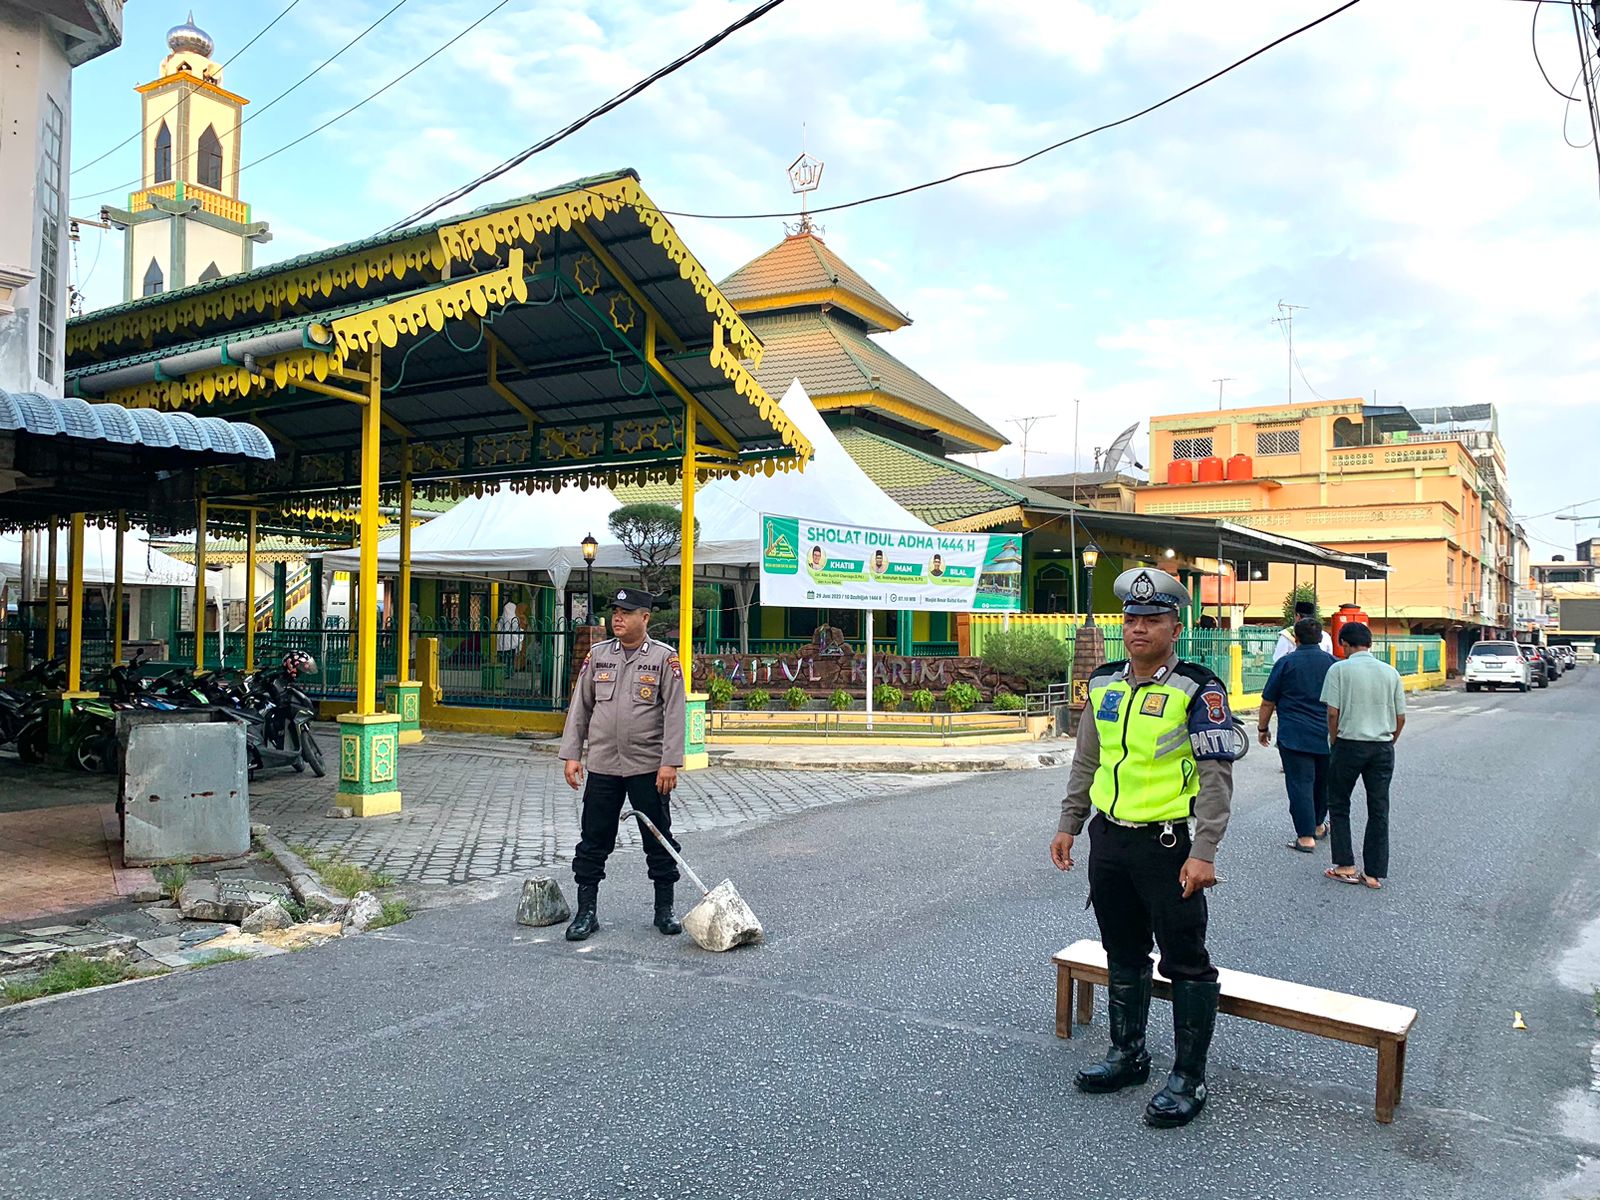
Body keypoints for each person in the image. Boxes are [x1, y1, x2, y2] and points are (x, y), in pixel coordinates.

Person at [1050, 567, 1245, 1129]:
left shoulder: (1198, 688)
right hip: (1109, 840)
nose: (1138, 629)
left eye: (1151, 619)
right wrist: (1070, 822)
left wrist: (1204, 851)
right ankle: (1129, 1054)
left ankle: (1188, 1077)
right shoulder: (1104, 681)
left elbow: (1215, 777)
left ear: (1174, 626)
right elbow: (1087, 759)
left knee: (1185, 959)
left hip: (1167, 845)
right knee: (1123, 951)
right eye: (1131, 619)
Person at [557, 588, 688, 940]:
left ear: (644, 618)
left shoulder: (664, 658)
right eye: (615, 610)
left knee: (658, 839)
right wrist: (572, 754)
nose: (617, 617)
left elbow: (676, 712)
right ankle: (586, 912)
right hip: (602, 765)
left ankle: (665, 910)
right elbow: (580, 706)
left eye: (626, 612)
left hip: (648, 767)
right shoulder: (598, 656)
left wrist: (670, 762)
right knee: (593, 839)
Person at [1320, 621, 1405, 890]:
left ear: (1344, 644)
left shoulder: (1339, 669)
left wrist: (1335, 742)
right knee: (1379, 808)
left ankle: (1345, 865)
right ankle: (1373, 873)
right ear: (1370, 643)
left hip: (1348, 743)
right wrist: (1388, 740)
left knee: (1340, 803)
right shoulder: (1390, 672)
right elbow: (1400, 717)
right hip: (1381, 747)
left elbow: (1332, 713)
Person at [1258, 617, 1336, 852]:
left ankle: (1305, 837)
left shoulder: (1285, 663)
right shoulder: (1334, 664)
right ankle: (1319, 825)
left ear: (1297, 639)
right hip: (1327, 734)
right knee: (1323, 783)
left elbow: (1268, 700)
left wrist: (1263, 728)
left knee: (1300, 783)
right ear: (1321, 638)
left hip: (1294, 734)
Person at [495, 601, 521, 673]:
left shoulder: (502, 618)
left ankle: (503, 672)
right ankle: (509, 672)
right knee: (510, 658)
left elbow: (498, 628)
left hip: (502, 641)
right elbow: (517, 629)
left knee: (502, 658)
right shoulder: (514, 619)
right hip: (511, 642)